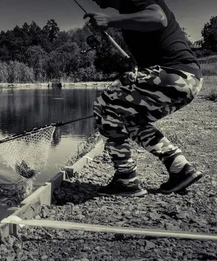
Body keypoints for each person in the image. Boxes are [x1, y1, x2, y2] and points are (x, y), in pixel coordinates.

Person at [84, 0, 204, 196]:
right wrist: (135, 70)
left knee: (104, 105)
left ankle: (126, 179)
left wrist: (111, 20)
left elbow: (158, 18)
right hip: (187, 78)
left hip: (176, 74)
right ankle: (180, 168)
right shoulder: (127, 11)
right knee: (131, 120)